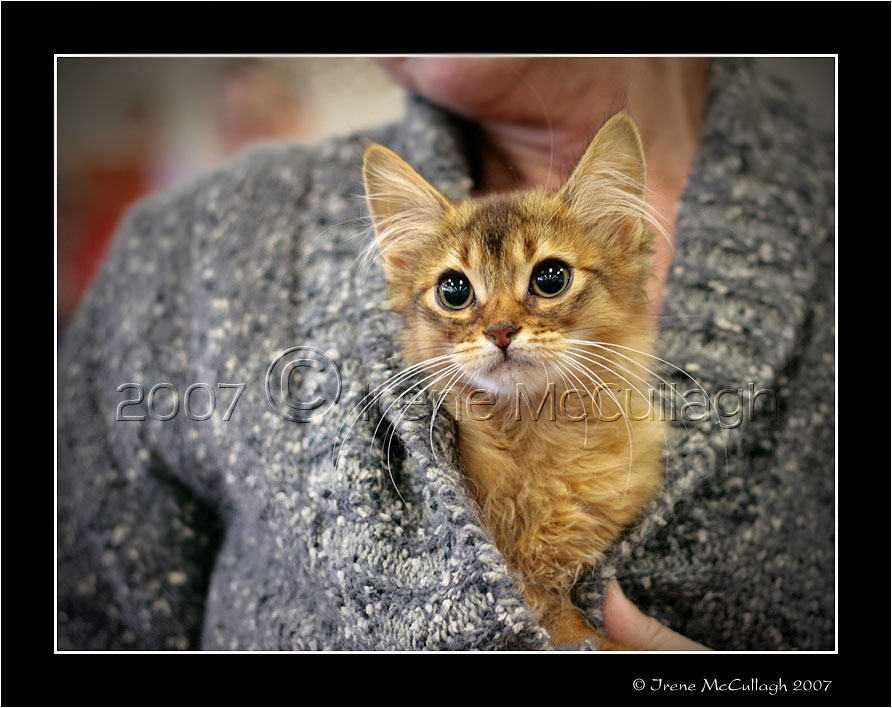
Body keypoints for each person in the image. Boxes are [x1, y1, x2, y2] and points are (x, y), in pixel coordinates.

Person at [57, 58, 834, 650]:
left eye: (548, 279)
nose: (498, 325)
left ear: (622, 239)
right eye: (457, 294)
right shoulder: (184, 246)